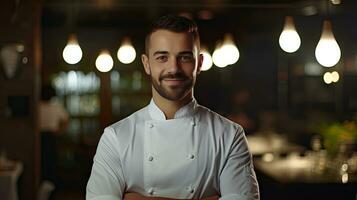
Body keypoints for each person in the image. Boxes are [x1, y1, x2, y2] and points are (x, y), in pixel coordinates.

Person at [86, 15, 259, 200]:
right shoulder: (115, 138)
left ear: (199, 63)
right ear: (147, 64)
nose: (173, 68)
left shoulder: (229, 135)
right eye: (162, 57)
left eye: (184, 57)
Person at [39, 84, 69, 196]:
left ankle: (47, 192)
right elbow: (66, 121)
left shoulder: (39, 106)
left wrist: (59, 131)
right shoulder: (55, 107)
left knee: (45, 164)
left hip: (44, 138)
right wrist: (60, 131)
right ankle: (49, 192)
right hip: (48, 137)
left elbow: (66, 121)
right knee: (50, 164)